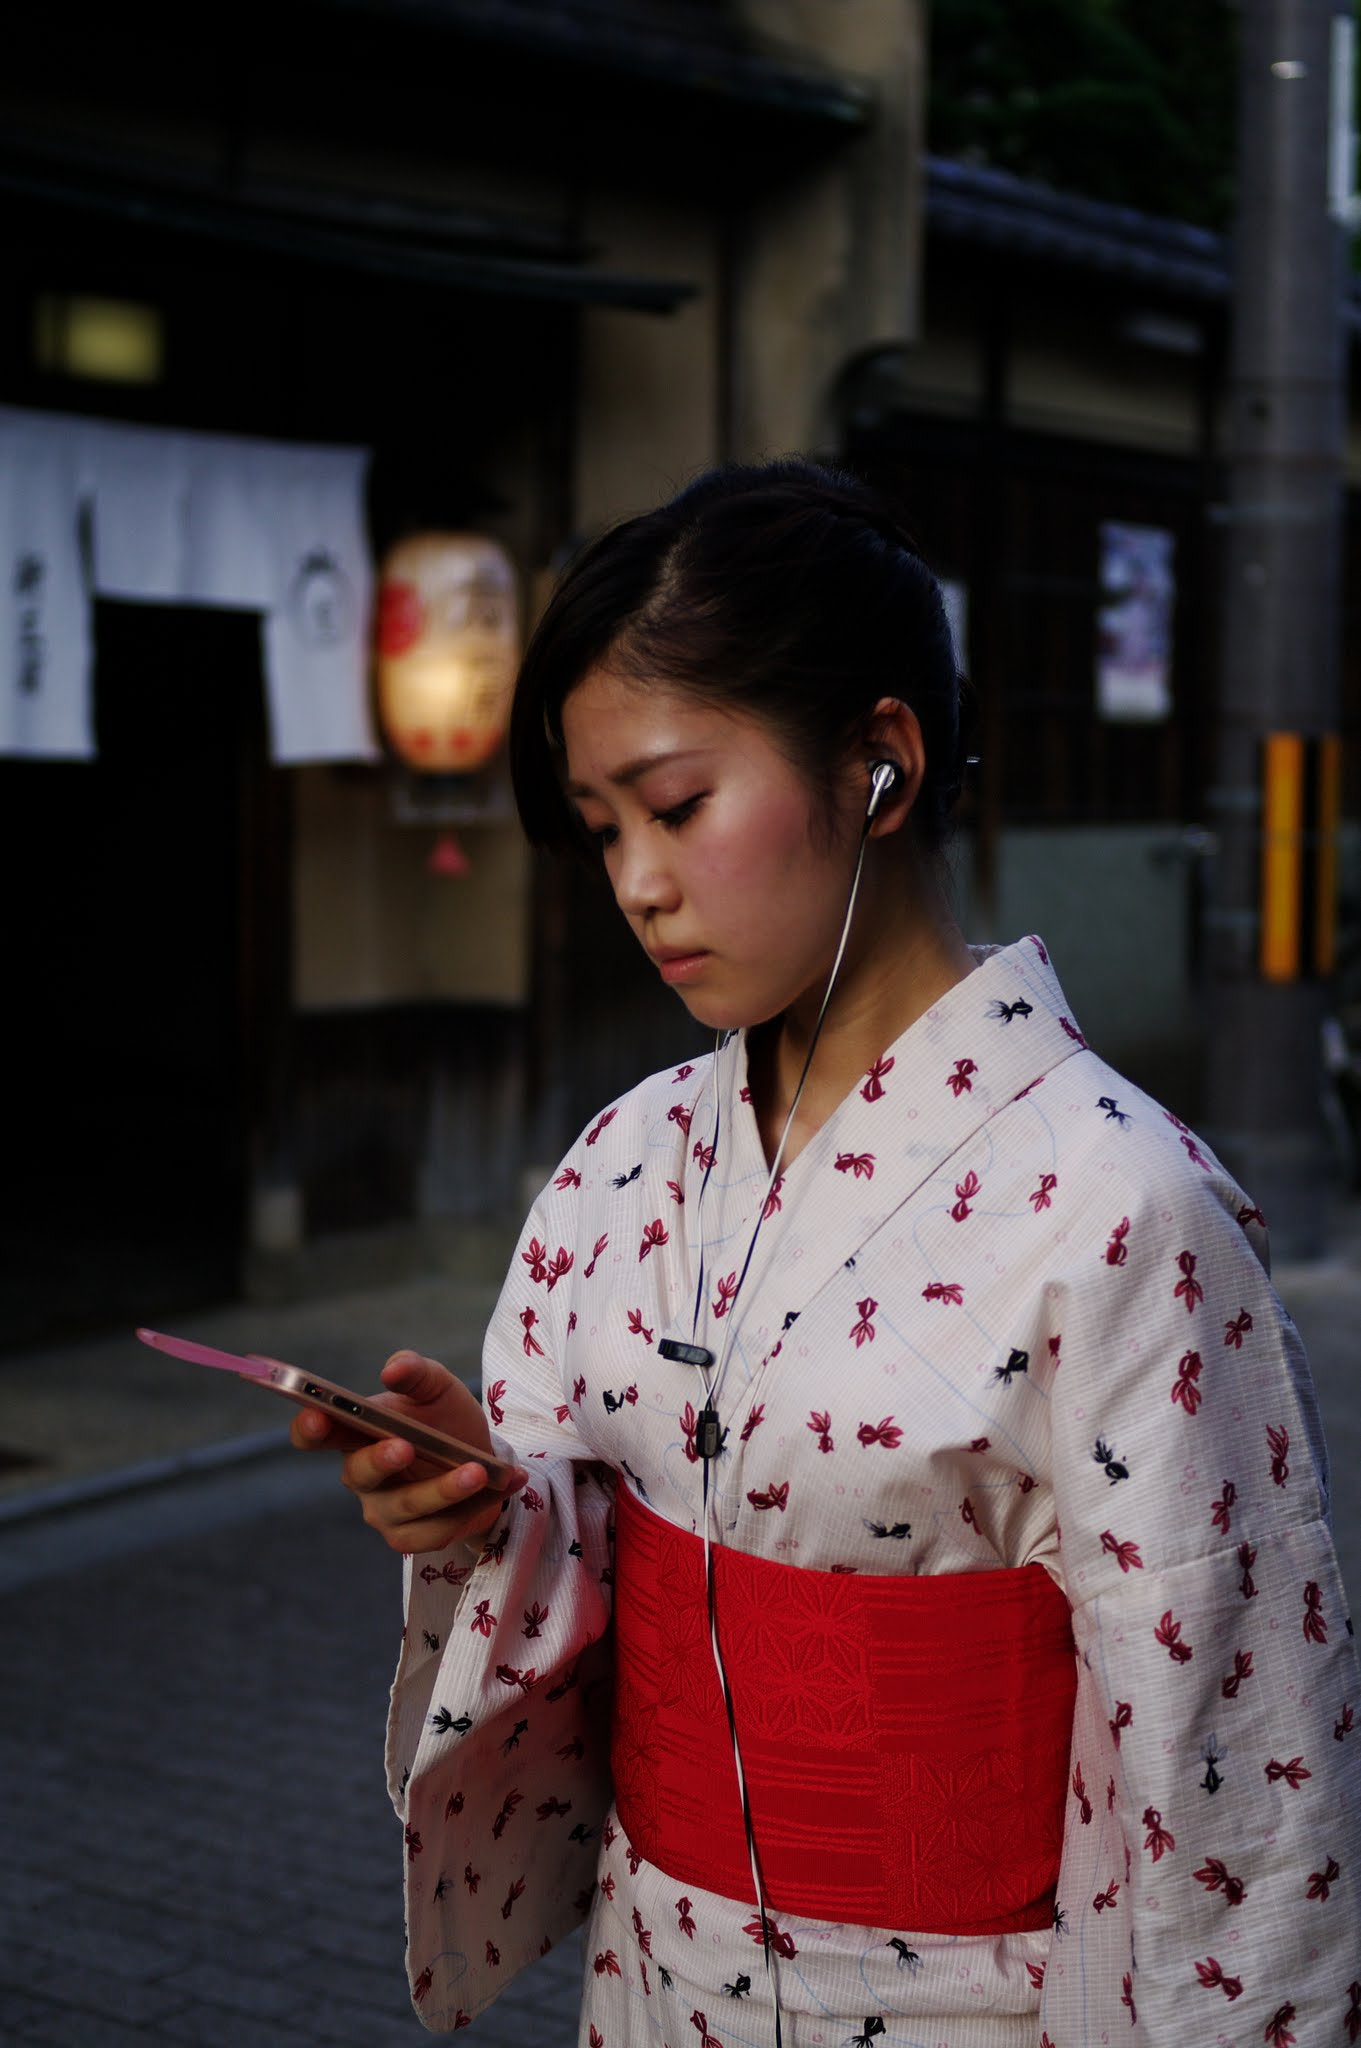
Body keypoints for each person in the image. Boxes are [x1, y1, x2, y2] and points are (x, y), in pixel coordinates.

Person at [293, 460, 1359, 2047]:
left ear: (879, 763)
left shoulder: (1121, 1204)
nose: (638, 883)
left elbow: (1225, 1724)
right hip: (661, 1973)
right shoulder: (622, 1165)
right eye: (600, 832)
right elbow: (593, 1554)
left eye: (674, 806)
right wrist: (484, 1507)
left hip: (970, 2005)